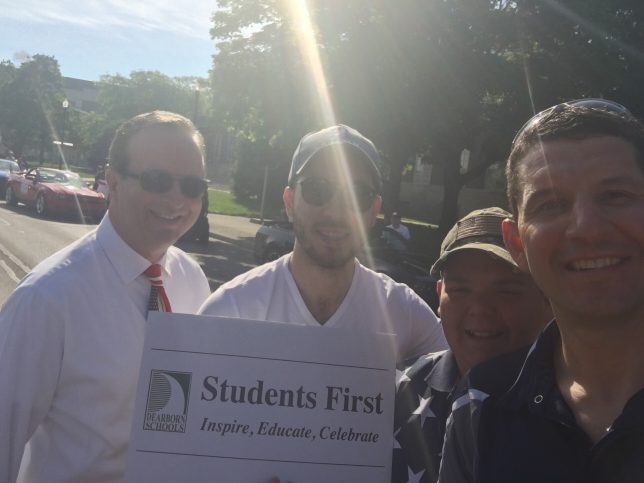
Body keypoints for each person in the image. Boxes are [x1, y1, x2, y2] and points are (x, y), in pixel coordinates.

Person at [0, 111, 212, 483]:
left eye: (192, 186)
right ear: (111, 181)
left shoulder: (192, 280)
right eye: (157, 180)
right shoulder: (46, 299)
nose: (177, 199)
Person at [439, 99, 644, 482]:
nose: (587, 227)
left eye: (615, 196)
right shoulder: (480, 406)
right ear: (517, 244)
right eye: (551, 204)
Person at [199, 124, 447, 363]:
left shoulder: (404, 313)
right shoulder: (231, 310)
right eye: (317, 189)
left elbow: (460, 381)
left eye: (357, 194)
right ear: (289, 202)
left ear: (374, 211)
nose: (336, 212)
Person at [391, 207, 551, 483]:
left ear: (546, 299)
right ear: (439, 295)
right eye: (460, 289)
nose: (479, 309)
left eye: (506, 291)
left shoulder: (577, 412)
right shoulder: (397, 389)